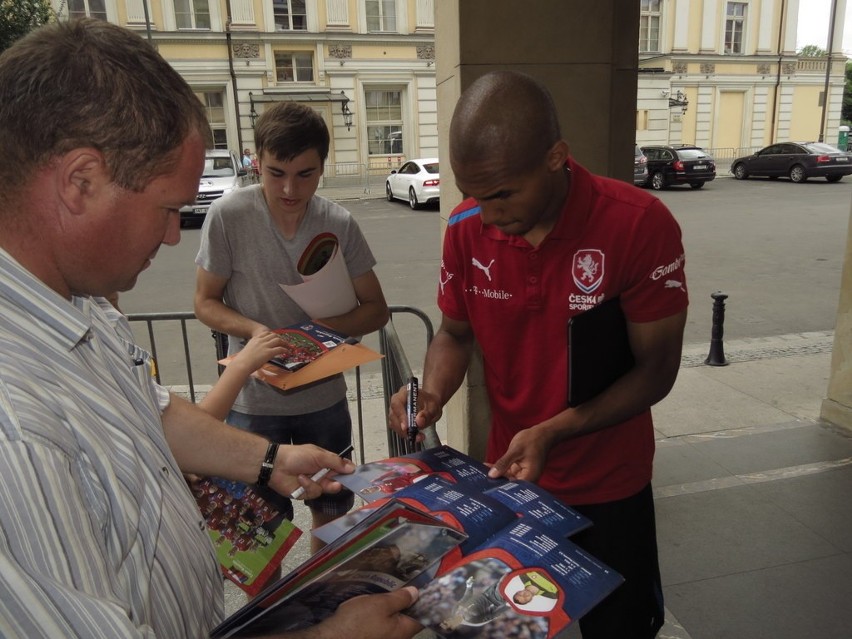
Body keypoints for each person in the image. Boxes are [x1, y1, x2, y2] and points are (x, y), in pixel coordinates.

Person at [0, 18, 421, 639]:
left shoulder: (82, 306)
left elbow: (150, 412)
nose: (173, 236)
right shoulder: (16, 426)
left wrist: (269, 458)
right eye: (168, 209)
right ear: (79, 181)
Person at [389, 70, 688, 638]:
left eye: (503, 193)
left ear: (557, 157)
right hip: (512, 477)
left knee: (620, 629)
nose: (489, 212)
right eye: (474, 194)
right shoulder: (465, 227)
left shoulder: (638, 224)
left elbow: (657, 370)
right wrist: (432, 393)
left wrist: (553, 430)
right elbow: (454, 333)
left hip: (611, 484)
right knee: (500, 629)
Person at [195, 101, 390, 553]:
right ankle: (271, 620)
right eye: (275, 172)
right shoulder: (229, 216)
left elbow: (376, 309)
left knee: (331, 514)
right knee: (261, 528)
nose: (288, 188)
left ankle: (321, 604)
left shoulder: (339, 222)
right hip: (251, 404)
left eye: (305, 174)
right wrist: (257, 332)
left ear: (323, 167)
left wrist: (320, 330)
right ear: (255, 160)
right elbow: (205, 302)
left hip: (324, 402)